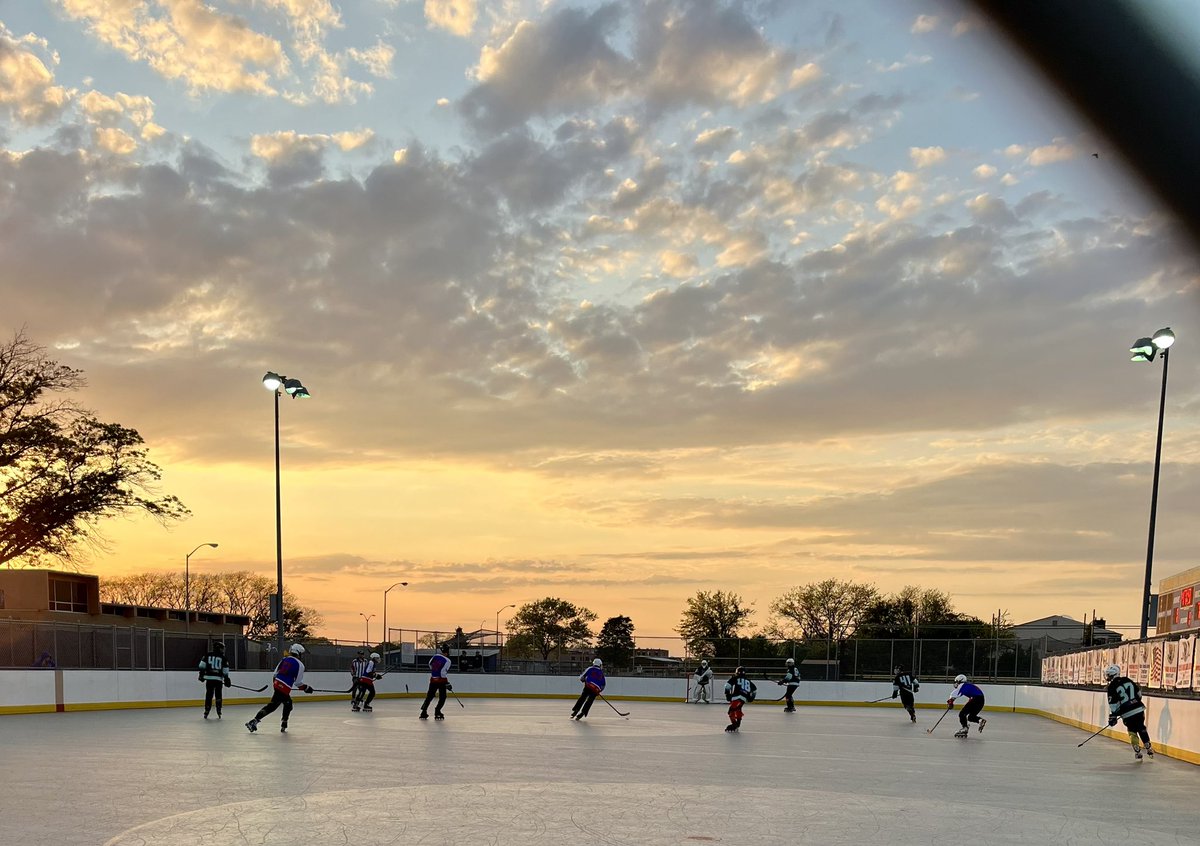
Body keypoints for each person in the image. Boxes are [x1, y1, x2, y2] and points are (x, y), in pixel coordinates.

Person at [246, 643, 313, 734]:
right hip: (284, 688)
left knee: (287, 703)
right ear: (298, 653)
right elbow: (298, 683)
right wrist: (306, 688)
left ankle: (283, 723)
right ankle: (254, 721)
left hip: (277, 684)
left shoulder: (284, 659)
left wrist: (277, 684)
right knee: (273, 706)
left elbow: (275, 674)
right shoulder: (300, 665)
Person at [1104, 663, 1154, 760]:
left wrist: (1113, 716)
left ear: (1112, 675)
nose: (1107, 677)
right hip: (1139, 709)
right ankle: (1148, 746)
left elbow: (1113, 704)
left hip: (1127, 713)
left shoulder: (1111, 687)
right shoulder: (1127, 680)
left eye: (1109, 675)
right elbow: (1139, 694)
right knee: (1141, 727)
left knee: (1132, 731)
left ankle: (1137, 751)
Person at [198, 641, 231, 719]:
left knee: (209, 695)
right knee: (218, 695)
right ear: (218, 648)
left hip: (209, 679)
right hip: (218, 680)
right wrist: (226, 679)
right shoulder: (223, 658)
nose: (223, 650)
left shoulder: (207, 655)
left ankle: (207, 710)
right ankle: (219, 709)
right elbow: (225, 670)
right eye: (222, 648)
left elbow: (201, 666)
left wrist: (201, 675)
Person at [946, 673, 986, 738]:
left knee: (962, 714)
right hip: (981, 700)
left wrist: (950, 701)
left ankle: (965, 728)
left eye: (956, 682)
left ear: (960, 681)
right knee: (971, 717)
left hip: (975, 699)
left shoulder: (962, 685)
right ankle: (980, 720)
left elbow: (955, 694)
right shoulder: (968, 685)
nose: (956, 683)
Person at [419, 644, 452, 720]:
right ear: (447, 652)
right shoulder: (448, 661)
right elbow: (443, 673)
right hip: (441, 681)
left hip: (433, 679)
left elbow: (430, 664)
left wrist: (434, 672)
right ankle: (437, 711)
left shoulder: (435, 656)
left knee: (429, 696)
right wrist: (447, 682)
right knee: (443, 697)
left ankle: (423, 711)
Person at [723, 667, 756, 732]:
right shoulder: (748, 681)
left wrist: (727, 695)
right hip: (744, 698)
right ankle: (738, 723)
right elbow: (754, 690)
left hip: (737, 697)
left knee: (731, 711)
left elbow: (727, 686)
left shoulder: (735, 678)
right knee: (738, 709)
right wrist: (751, 698)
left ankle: (735, 724)